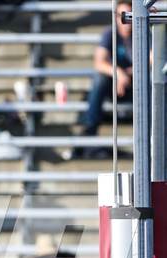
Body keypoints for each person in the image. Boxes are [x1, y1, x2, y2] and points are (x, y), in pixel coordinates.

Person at [69, 0, 133, 159]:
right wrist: (119, 73)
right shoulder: (110, 33)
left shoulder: (144, 32)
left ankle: (157, 131)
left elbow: (153, 60)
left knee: (153, 78)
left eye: (129, 16)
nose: (125, 21)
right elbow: (99, 63)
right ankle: (89, 131)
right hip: (115, 87)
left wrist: (128, 73)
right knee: (99, 78)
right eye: (121, 16)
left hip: (137, 85)